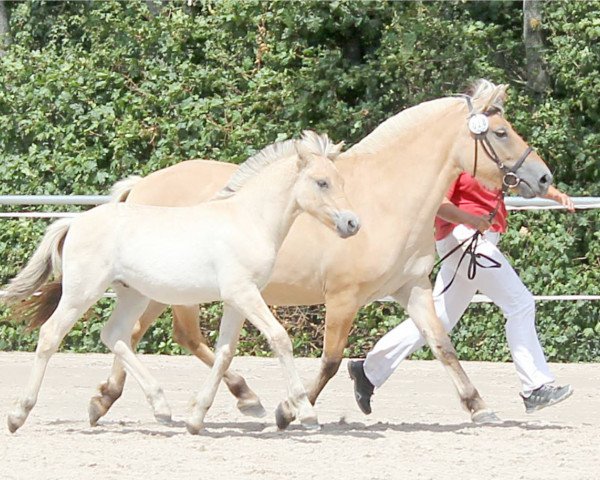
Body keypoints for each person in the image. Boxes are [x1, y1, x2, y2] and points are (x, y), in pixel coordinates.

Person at [348, 173, 575, 415]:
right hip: (466, 238)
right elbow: (439, 203)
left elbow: (518, 179)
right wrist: (471, 219)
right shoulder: (458, 160)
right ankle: (535, 386)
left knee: (439, 319)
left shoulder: (493, 158)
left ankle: (369, 369)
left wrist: (554, 194)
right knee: (520, 304)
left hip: (475, 238)